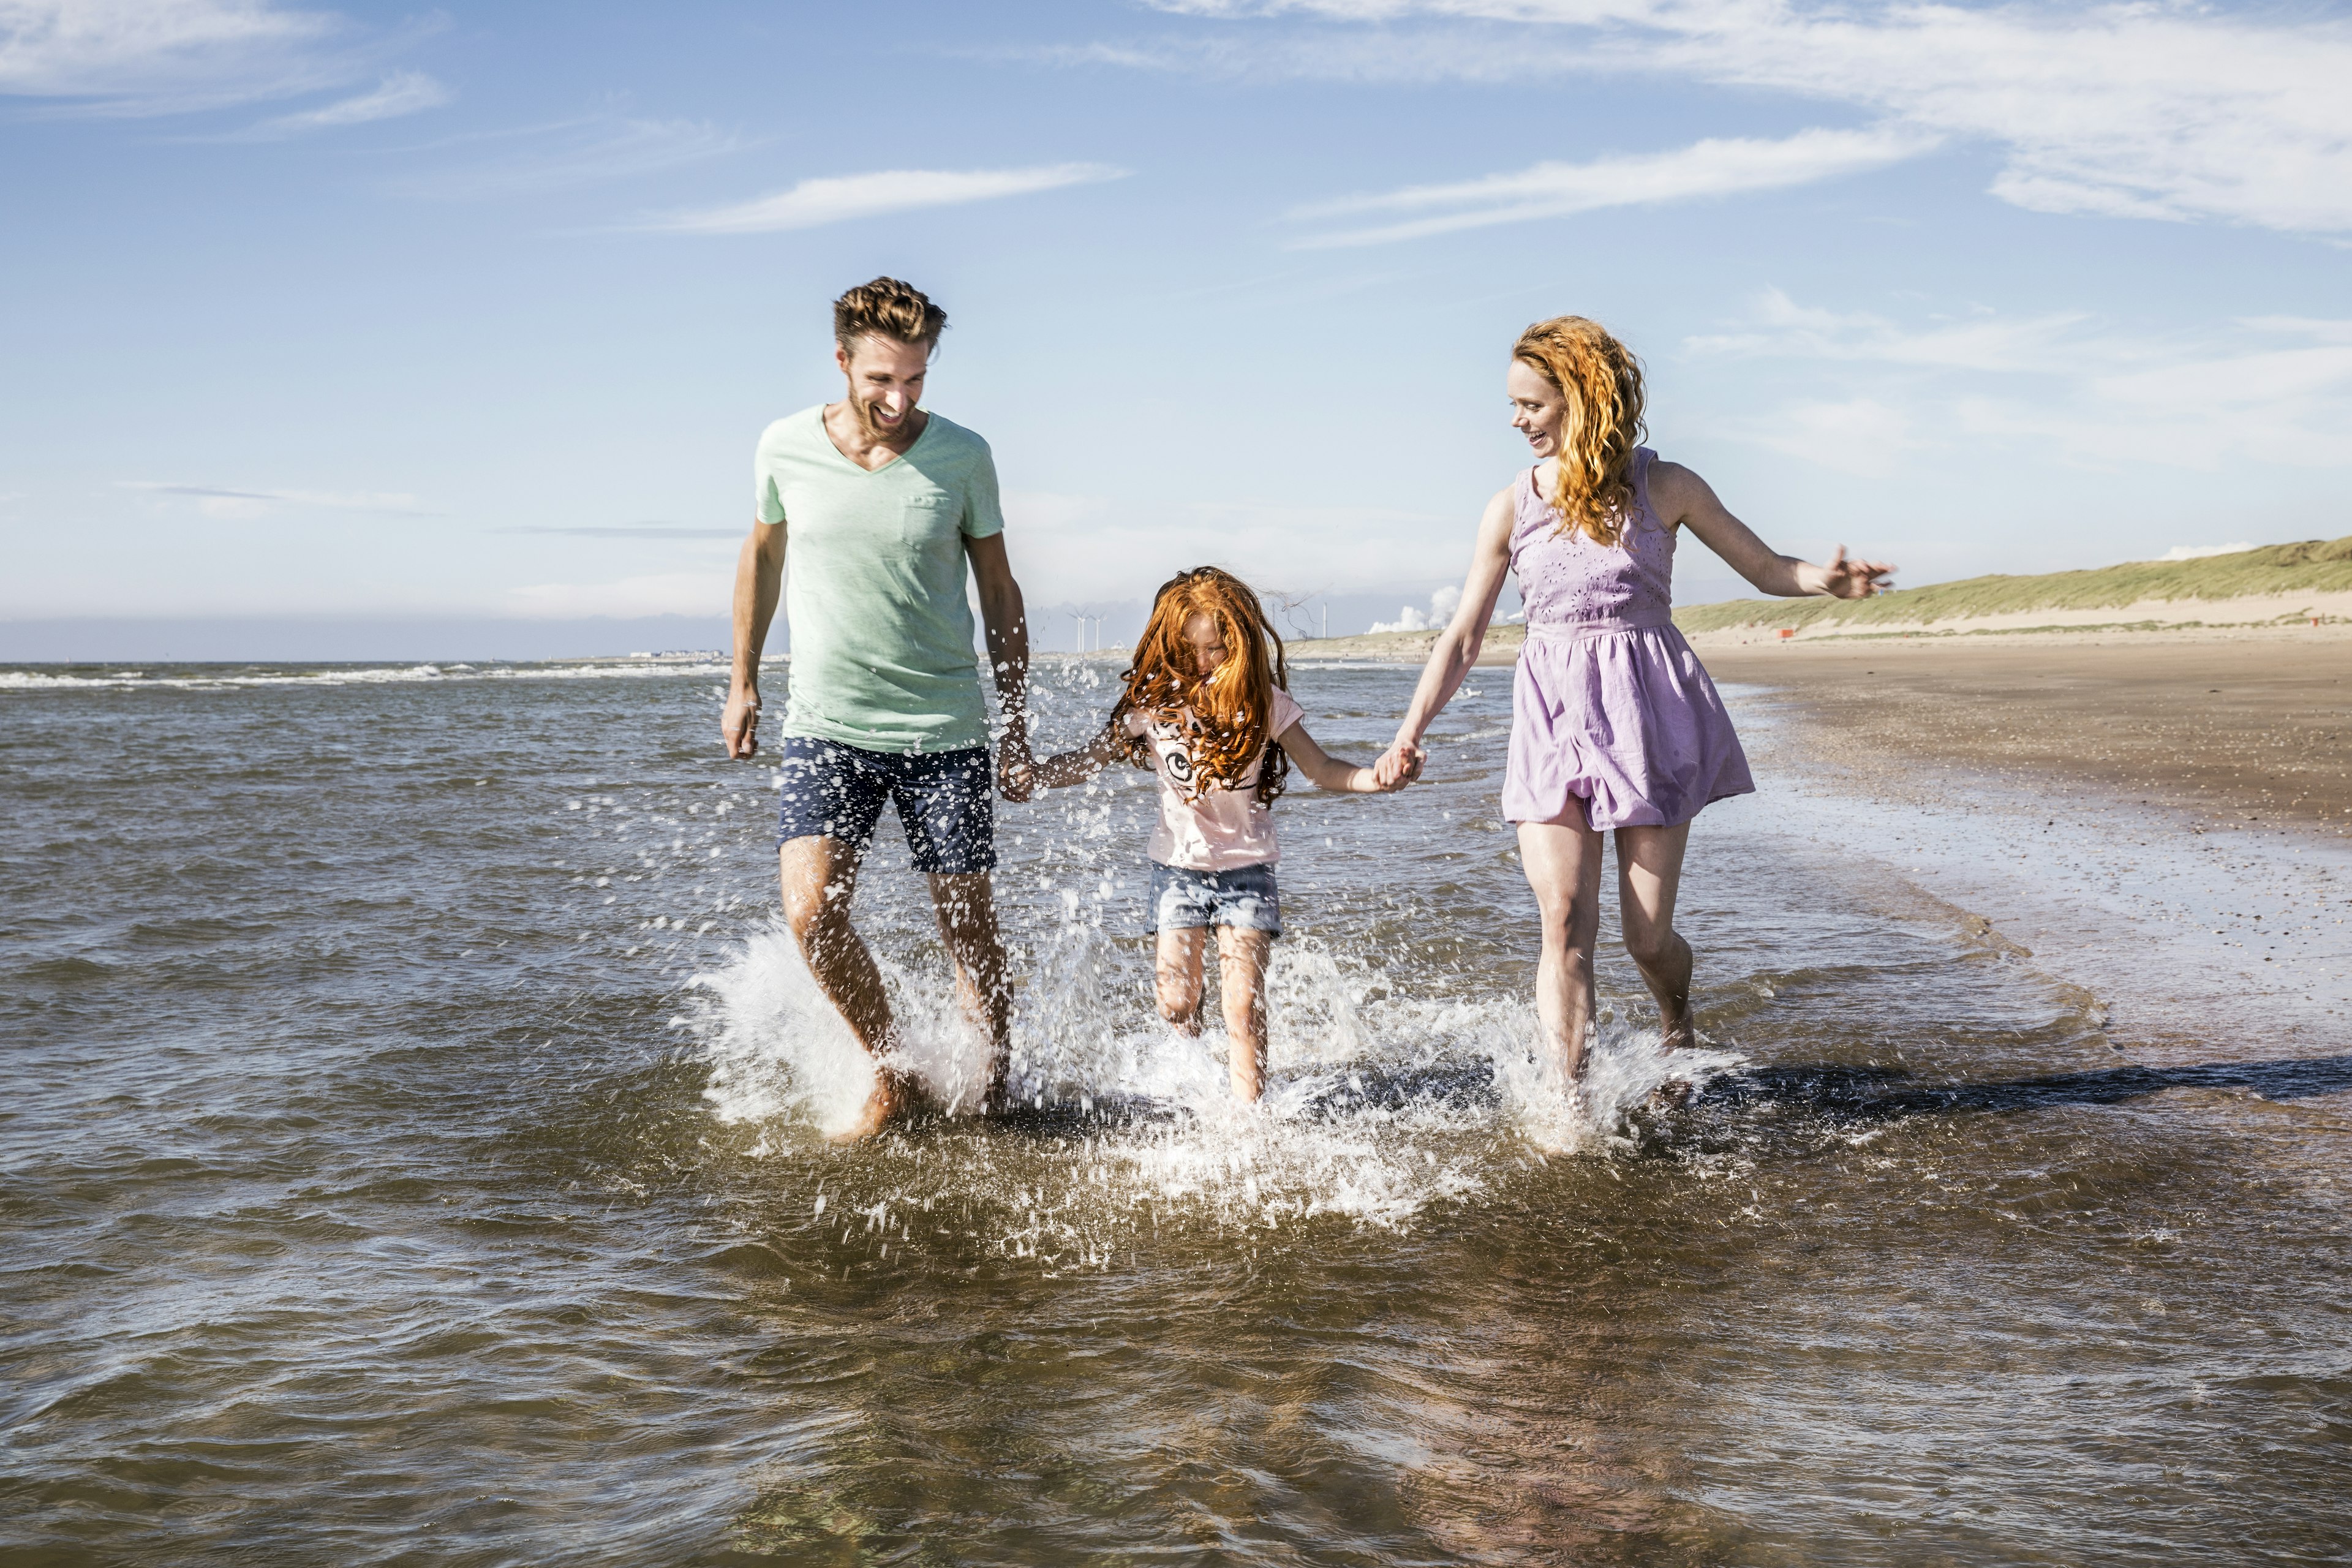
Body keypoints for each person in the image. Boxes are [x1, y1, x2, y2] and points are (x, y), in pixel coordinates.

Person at [1374, 315, 1894, 1087]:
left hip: (1648, 713)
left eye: (1533, 405)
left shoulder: (1666, 486)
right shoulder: (1510, 508)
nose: (1517, 420)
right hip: (1553, 717)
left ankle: (1676, 1020)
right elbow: (1463, 636)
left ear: (1582, 399)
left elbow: (1763, 566)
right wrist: (1408, 731)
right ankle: (1567, 1103)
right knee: (1564, 920)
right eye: (1514, 405)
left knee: (1647, 938)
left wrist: (1824, 579)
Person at [722, 277, 1030, 1140]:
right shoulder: (784, 445)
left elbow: (1000, 591)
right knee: (813, 913)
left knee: (966, 923)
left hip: (944, 728)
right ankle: (896, 1071)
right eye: (880, 381)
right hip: (826, 723)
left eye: (917, 380)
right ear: (842, 361)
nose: (898, 400)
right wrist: (742, 679)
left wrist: (1015, 726)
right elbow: (762, 560)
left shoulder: (964, 457)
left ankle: (995, 1089)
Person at [998, 567, 1406, 1102]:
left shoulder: (1264, 703)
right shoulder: (1151, 706)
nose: (1203, 663)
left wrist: (1375, 778)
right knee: (1175, 1002)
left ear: (1238, 644)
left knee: (1242, 1006)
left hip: (1247, 870)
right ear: (1169, 646)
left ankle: (1249, 1124)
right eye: (1190, 651)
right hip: (1177, 872)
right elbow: (1090, 760)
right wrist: (1040, 774)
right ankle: (1192, 1061)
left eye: (1216, 649)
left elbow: (1322, 767)